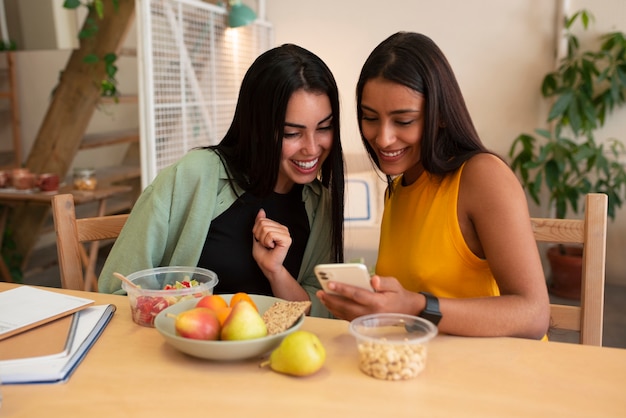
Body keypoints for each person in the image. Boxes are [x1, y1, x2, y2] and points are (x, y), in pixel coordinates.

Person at [317, 32, 550, 338]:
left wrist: (415, 306)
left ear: (439, 115)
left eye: (403, 121)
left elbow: (533, 315)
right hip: (430, 366)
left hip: (499, 370)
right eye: (370, 117)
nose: (383, 138)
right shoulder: (398, 189)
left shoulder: (482, 177)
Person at [99, 44, 345, 318]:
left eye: (324, 128)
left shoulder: (321, 206)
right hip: (180, 352)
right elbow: (117, 291)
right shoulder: (195, 176)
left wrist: (276, 272)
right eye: (291, 133)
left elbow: (323, 316)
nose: (312, 148)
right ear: (258, 129)